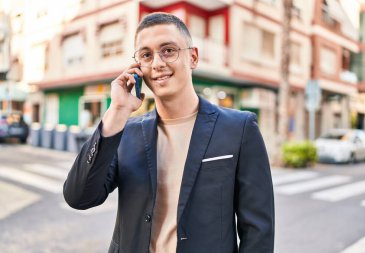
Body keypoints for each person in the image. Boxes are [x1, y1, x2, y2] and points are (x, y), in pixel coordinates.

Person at [63, 12, 275, 253]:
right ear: (137, 67)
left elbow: (258, 231)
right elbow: (78, 197)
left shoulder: (240, 128)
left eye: (168, 50)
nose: (157, 63)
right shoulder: (126, 132)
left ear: (193, 57)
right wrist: (117, 111)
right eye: (146, 55)